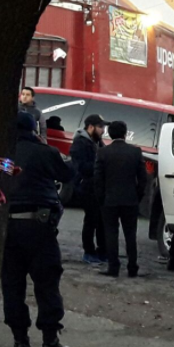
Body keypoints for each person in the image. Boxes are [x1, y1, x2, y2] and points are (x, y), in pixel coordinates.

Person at [1, 112, 74, 347]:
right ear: (34, 129)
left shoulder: (5, 157)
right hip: (40, 227)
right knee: (46, 283)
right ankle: (50, 342)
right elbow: (67, 174)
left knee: (12, 284)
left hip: (9, 228)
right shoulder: (45, 152)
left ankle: (20, 341)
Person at [95, 121, 148, 278]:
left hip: (109, 199)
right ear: (125, 133)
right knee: (130, 234)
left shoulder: (103, 153)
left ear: (109, 134)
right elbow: (143, 178)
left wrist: (101, 197)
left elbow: (98, 178)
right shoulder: (135, 152)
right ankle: (132, 267)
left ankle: (113, 267)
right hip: (130, 198)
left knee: (111, 233)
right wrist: (138, 195)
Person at [71, 114, 108, 265]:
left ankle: (102, 251)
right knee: (91, 220)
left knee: (101, 221)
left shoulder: (98, 142)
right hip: (86, 187)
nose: (103, 130)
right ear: (91, 127)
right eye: (100, 127)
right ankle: (89, 252)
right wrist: (99, 168)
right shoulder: (80, 143)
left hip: (98, 187)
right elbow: (80, 167)